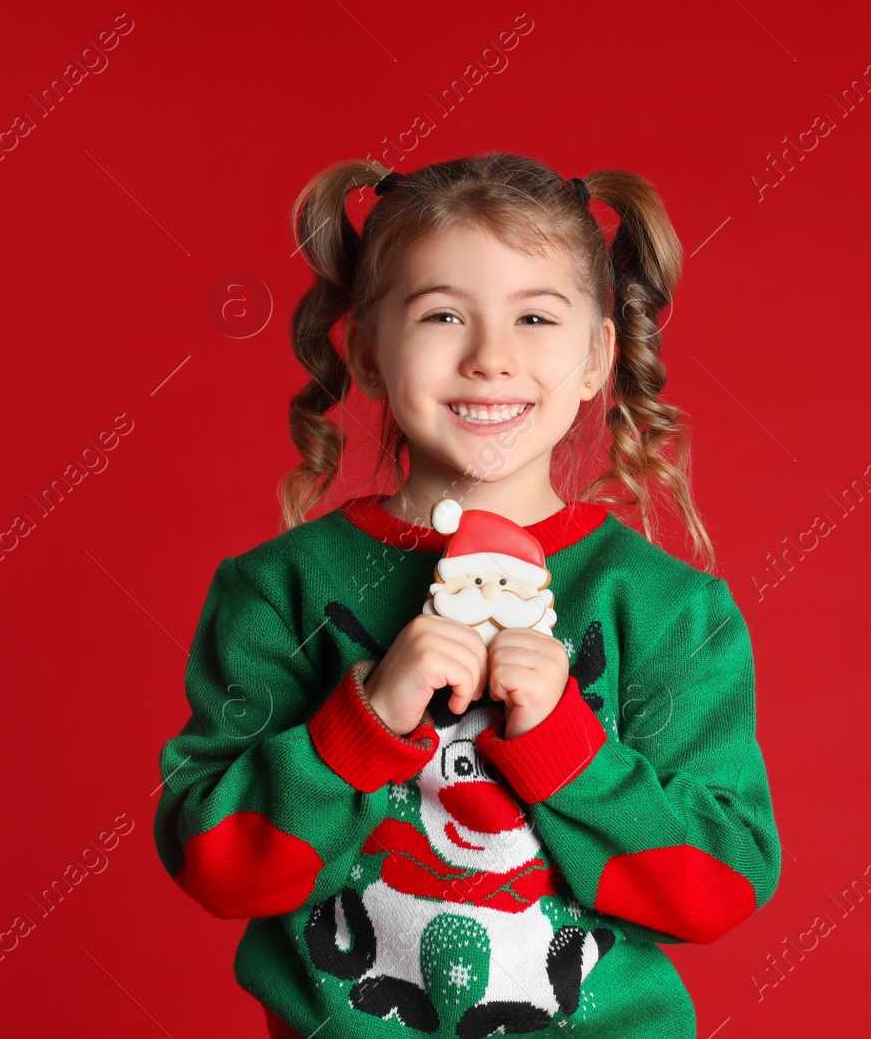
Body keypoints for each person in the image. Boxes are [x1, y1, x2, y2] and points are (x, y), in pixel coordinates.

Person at [152, 152, 781, 1039]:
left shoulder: (673, 612)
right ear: (368, 352)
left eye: (534, 316)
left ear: (598, 356)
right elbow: (218, 866)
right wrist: (364, 722)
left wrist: (566, 743)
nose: (491, 358)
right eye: (443, 314)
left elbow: (717, 887)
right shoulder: (275, 591)